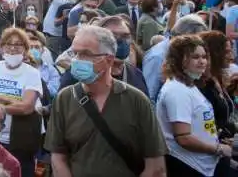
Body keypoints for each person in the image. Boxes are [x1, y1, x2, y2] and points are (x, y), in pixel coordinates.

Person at [44, 25, 166, 177]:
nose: (76, 60)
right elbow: (57, 157)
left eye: (85, 54)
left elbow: (156, 166)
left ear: (108, 59)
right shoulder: (65, 98)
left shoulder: (137, 101)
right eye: (75, 53)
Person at [157, 35, 230, 176]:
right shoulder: (177, 90)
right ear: (179, 60)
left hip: (203, 164)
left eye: (204, 56)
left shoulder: (188, 85)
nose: (202, 62)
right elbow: (183, 138)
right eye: (195, 57)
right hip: (188, 165)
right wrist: (218, 149)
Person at [0, 27, 43, 176]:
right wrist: (7, 99)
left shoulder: (32, 73)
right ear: (1, 48)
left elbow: (26, 107)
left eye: (18, 44)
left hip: (20, 141)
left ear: (25, 49)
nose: (13, 48)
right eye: (8, 43)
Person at [145, 14, 208, 102]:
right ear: (184, 37)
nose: (200, 45)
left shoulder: (179, 53)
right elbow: (149, 95)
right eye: (195, 40)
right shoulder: (157, 56)